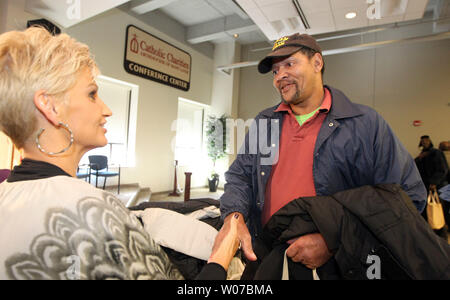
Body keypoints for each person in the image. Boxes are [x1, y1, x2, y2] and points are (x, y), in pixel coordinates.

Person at [0, 27, 239, 280]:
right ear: (50, 106)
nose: (107, 109)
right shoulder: (94, 212)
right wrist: (222, 256)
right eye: (92, 94)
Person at [215, 33, 427, 277]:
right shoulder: (265, 122)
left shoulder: (365, 124)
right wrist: (234, 215)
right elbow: (241, 176)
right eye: (275, 71)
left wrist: (335, 240)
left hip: (337, 266)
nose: (279, 76)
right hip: (267, 255)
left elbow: (408, 199)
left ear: (317, 63)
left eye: (289, 64)